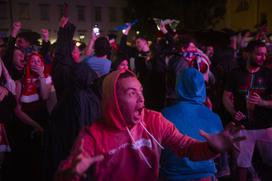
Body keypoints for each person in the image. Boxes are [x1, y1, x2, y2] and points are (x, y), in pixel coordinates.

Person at [55, 69, 245, 181]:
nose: (141, 99)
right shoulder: (93, 135)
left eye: (141, 91)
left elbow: (186, 147)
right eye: (131, 93)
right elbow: (65, 171)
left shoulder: (154, 121)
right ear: (113, 99)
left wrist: (211, 147)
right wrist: (70, 173)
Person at [160, 68, 224, 181]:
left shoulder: (164, 115)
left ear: (178, 85)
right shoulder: (214, 117)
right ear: (202, 88)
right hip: (205, 176)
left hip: (172, 175)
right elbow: (218, 151)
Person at [223, 40, 272, 181]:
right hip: (243, 127)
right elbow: (226, 96)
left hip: (267, 127)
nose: (263, 57)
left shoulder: (269, 74)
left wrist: (262, 102)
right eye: (258, 54)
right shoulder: (235, 74)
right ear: (248, 54)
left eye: (264, 54)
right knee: (242, 165)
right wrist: (232, 112)